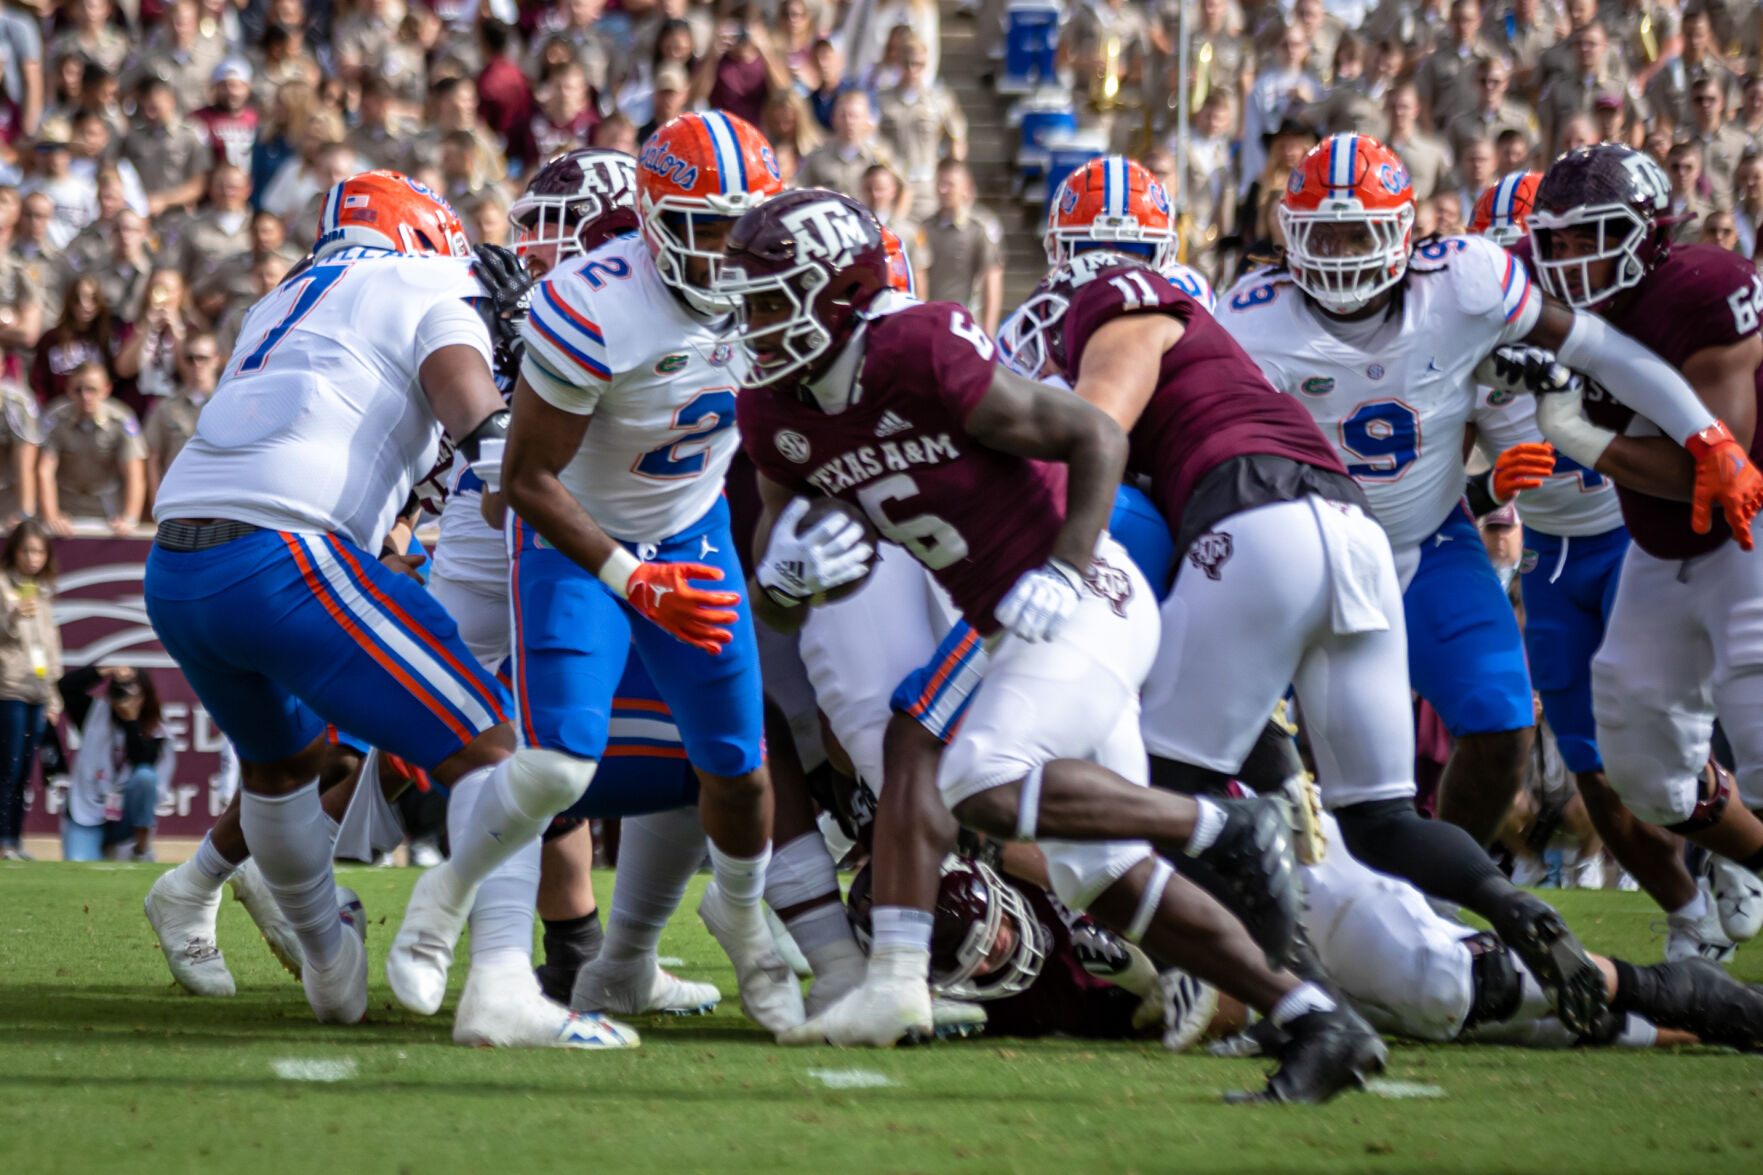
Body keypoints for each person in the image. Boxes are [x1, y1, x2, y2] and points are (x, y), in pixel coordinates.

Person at [725, 189, 1374, 1101]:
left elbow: (1092, 436)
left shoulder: (915, 348)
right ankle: (1312, 1014)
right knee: (1091, 867)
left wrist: (1067, 566)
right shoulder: (773, 410)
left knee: (976, 778)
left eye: (765, 298)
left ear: (838, 291)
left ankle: (1223, 824)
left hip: (1080, 594)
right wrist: (783, 576)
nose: (747, 322)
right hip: (998, 620)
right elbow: (782, 583)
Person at [144, 170, 637, 1049]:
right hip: (285, 555)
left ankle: (331, 965)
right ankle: (499, 989)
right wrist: (518, 467)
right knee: (500, 748)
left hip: (178, 565)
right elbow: (476, 424)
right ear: (420, 232)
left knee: (287, 768)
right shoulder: (433, 282)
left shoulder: (279, 298)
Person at [1218, 132, 1762, 865]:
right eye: (1325, 234)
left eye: (1360, 232)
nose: (1343, 253)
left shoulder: (1465, 280)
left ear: (1404, 232)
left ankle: (1435, 899)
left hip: (1433, 542)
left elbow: (1598, 348)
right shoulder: (1248, 317)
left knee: (1504, 725)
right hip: (1308, 550)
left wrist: (1705, 437)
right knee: (1271, 741)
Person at [501, 112, 806, 1034]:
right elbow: (523, 480)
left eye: (744, 226)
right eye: (705, 227)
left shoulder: (779, 284)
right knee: (553, 767)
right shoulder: (596, 300)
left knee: (739, 765)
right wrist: (629, 577)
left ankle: (745, 920)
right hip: (576, 537)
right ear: (650, 215)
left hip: (693, 526)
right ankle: (488, 966)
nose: (728, 252)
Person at [1521, 142, 1763, 962]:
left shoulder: (1705, 287)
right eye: (1553, 241)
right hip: (1657, 555)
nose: (1569, 259)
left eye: (1590, 235)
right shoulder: (1549, 308)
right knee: (1639, 765)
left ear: (1647, 231)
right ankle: (1742, 858)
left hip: (1744, 533)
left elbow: (1717, 458)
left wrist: (1583, 439)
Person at [57, 664, 173, 862]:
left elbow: (142, 760)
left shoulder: (157, 730)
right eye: (118, 692)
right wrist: (108, 671)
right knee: (79, 864)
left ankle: (141, 847)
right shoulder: (94, 713)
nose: (123, 699)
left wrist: (131, 721)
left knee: (145, 777)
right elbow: (66, 686)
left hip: (127, 820)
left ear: (144, 696)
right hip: (86, 813)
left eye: (131, 693)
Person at [0, 518, 59, 859]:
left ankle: (14, 841)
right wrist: (11, 616)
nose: (32, 558)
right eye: (26, 550)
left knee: (24, 769)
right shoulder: (4, 585)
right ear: (14, 551)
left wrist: (53, 693)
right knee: (7, 767)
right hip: (9, 687)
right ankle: (4, 841)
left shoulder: (43, 591)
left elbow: (50, 646)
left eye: (38, 551)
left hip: (38, 690)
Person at [38, 362, 143, 536]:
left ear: (106, 389)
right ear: (69, 390)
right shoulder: (55, 419)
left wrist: (129, 518)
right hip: (66, 508)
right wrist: (52, 517)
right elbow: (44, 471)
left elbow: (134, 473)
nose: (85, 396)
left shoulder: (121, 419)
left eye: (92, 389)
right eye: (78, 390)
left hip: (108, 509)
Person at [914, 158, 1002, 335]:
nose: (942, 190)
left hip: (966, 326)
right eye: (939, 184)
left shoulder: (979, 228)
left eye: (949, 184)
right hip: (931, 323)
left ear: (965, 188)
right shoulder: (926, 228)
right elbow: (918, 276)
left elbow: (992, 278)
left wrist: (988, 333)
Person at [142, 331, 219, 499]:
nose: (197, 364)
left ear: (215, 360)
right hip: (176, 498)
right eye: (190, 359)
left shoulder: (230, 404)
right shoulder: (165, 407)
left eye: (202, 358)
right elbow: (153, 459)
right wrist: (157, 502)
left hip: (218, 500)